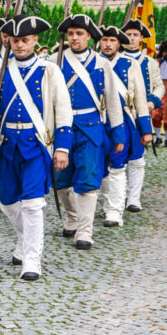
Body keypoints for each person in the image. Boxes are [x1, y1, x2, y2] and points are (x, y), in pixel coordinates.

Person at [0, 16, 72, 281]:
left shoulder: (49, 70)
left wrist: (62, 148)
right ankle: (25, 240)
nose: (19, 45)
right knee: (7, 203)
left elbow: (63, 111)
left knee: (32, 203)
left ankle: (32, 259)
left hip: (36, 145)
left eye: (25, 40)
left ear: (35, 40)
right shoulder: (2, 69)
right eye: (15, 40)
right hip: (7, 144)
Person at [53, 16, 125, 249]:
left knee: (88, 179)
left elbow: (112, 100)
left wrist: (118, 134)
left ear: (89, 37)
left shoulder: (101, 63)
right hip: (60, 126)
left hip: (91, 127)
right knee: (61, 180)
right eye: (71, 33)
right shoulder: (55, 61)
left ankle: (84, 231)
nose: (74, 38)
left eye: (79, 34)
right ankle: (72, 217)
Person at [97, 25, 154, 227]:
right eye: (104, 40)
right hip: (98, 121)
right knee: (101, 169)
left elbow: (139, 98)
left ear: (118, 43)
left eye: (112, 40)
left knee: (118, 166)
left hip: (124, 121)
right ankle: (109, 203)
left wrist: (146, 130)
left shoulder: (130, 64)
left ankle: (114, 211)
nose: (108, 44)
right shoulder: (93, 63)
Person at [121, 20, 163, 211]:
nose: (131, 38)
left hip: (141, 114)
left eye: (135, 35)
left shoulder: (150, 63)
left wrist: (151, 101)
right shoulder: (114, 59)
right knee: (118, 155)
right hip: (120, 114)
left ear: (141, 38)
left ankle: (133, 198)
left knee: (137, 158)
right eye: (128, 34)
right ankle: (119, 196)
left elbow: (159, 85)